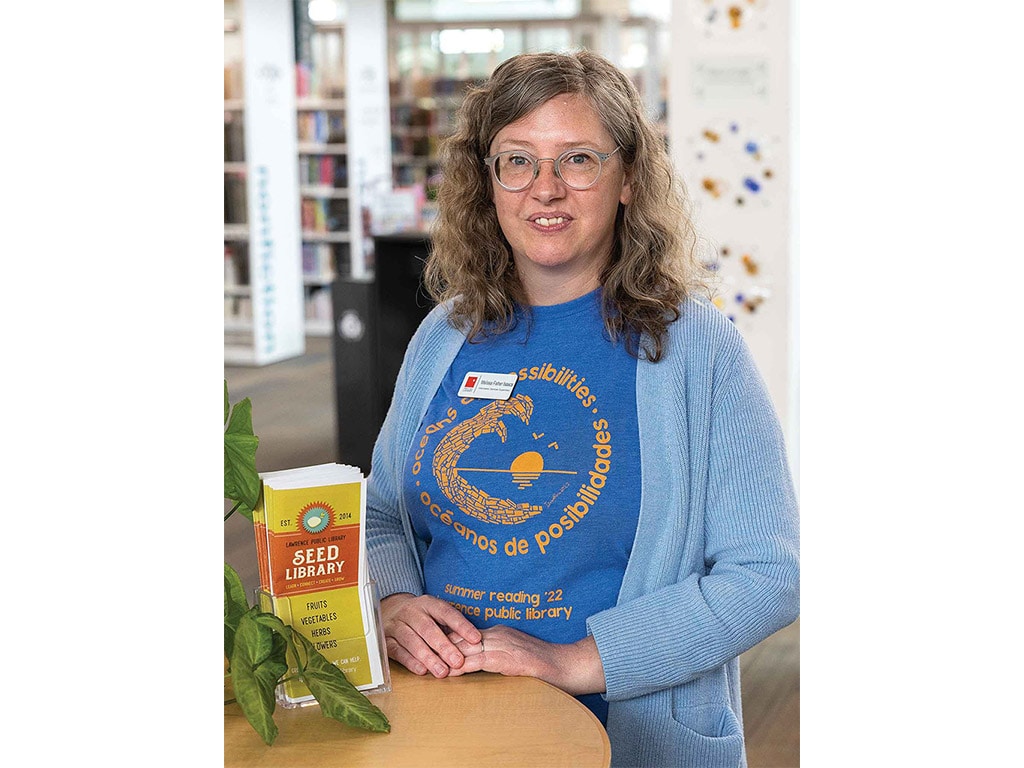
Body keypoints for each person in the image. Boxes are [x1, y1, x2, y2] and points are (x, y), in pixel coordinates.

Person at [365, 50, 799, 768]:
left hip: (622, 741)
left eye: (578, 160)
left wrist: (575, 660)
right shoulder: (446, 333)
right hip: (441, 727)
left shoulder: (696, 347)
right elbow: (384, 510)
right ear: (488, 180)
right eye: (517, 161)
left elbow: (767, 575)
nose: (545, 190)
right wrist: (394, 604)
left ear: (628, 177)